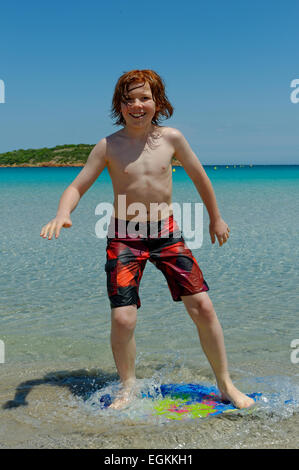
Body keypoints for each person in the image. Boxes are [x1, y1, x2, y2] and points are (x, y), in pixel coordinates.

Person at [40, 69, 254, 410]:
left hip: (166, 233)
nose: (137, 105)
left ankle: (225, 383)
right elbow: (77, 185)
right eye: (129, 99)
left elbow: (200, 177)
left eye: (144, 98)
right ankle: (127, 386)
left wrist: (216, 218)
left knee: (202, 306)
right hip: (125, 236)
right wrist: (63, 212)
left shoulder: (172, 139)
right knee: (123, 317)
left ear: (158, 103)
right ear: (119, 105)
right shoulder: (108, 146)